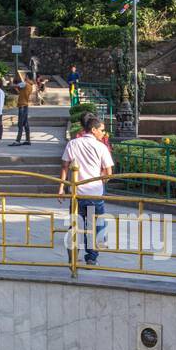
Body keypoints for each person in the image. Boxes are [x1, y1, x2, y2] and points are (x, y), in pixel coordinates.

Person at [58, 113, 114, 265]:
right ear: (94, 130)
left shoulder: (73, 144)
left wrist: (61, 188)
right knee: (96, 226)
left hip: (76, 193)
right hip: (94, 194)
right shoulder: (101, 147)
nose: (103, 133)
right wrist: (99, 181)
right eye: (102, 130)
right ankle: (91, 257)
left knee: (75, 225)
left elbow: (64, 166)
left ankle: (73, 258)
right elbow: (108, 172)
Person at [12, 73, 35, 146]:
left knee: (20, 123)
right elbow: (21, 92)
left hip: (21, 105)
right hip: (26, 105)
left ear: (27, 77)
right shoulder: (31, 86)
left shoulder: (24, 84)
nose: (25, 77)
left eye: (25, 76)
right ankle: (28, 140)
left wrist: (11, 82)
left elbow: (14, 86)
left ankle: (18, 140)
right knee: (26, 124)